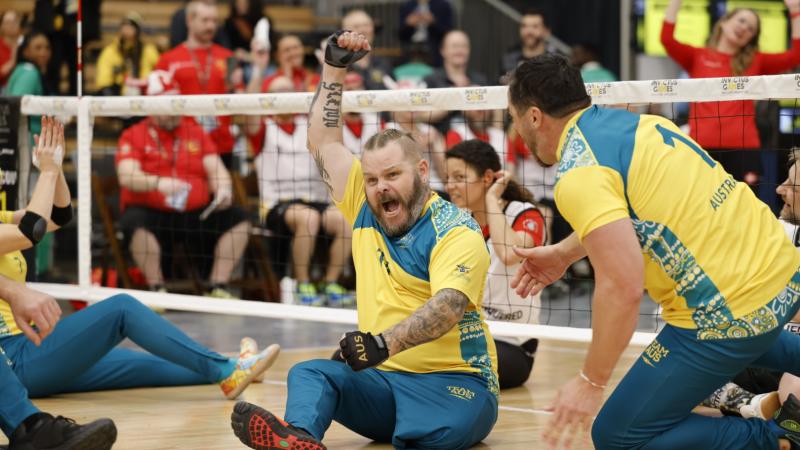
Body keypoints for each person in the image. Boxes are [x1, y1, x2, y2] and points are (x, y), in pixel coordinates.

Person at [508, 53, 800, 449]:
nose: (516, 129)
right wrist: (563, 253)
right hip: (783, 274)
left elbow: (623, 287)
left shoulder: (579, 172)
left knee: (616, 436)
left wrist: (590, 381)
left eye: (514, 117)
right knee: (752, 339)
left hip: (726, 312)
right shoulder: (643, 125)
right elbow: (633, 215)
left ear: (534, 116)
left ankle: (778, 439)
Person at [231, 30, 498, 450]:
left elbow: (447, 308)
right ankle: (300, 439)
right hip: (385, 380)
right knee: (309, 373)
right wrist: (333, 69)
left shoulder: (455, 228)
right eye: (372, 179)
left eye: (392, 175)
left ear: (422, 172)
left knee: (435, 439)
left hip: (457, 383)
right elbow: (322, 141)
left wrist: (380, 344)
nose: (380, 187)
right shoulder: (363, 205)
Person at [1, 117, 279, 404]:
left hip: (30, 346)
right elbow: (31, 230)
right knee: (122, 309)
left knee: (142, 365)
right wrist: (47, 172)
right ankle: (227, 371)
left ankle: (235, 368)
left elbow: (58, 216)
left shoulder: (3, 218)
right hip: (11, 361)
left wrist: (56, 169)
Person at [115, 70, 249, 299]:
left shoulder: (194, 130)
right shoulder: (133, 134)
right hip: (152, 213)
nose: (174, 111)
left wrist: (224, 190)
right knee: (133, 222)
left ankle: (218, 286)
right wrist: (158, 183)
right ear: (152, 106)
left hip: (195, 214)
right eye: (168, 104)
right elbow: (127, 176)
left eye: (177, 102)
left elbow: (217, 170)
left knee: (239, 218)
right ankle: (157, 289)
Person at [698, 148, 800, 420]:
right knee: (678, 363)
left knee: (793, 387)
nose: (779, 189)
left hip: (785, 358)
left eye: (791, 185)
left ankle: (764, 412)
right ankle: (752, 405)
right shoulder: (779, 230)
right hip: (761, 351)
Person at [661, 0, 800, 187]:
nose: (744, 28)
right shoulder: (698, 56)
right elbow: (667, 40)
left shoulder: (755, 61)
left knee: (744, 205)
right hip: (701, 149)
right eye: (741, 21)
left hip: (743, 151)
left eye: (751, 28)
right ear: (724, 22)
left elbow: (795, 55)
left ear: (751, 38)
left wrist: (795, 11)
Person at [445, 139, 544, 389]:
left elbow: (510, 254)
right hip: (467, 333)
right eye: (448, 178)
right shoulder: (457, 221)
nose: (450, 185)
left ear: (487, 178)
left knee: (447, 365)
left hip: (513, 345)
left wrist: (491, 199)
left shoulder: (525, 213)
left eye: (459, 177)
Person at [252, 75, 354, 307]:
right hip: (277, 204)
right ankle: (302, 284)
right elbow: (248, 111)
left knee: (346, 219)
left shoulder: (310, 125)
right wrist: (258, 70)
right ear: (268, 98)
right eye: (279, 92)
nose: (286, 96)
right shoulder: (263, 127)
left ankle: (330, 283)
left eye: (290, 91)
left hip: (315, 199)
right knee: (308, 218)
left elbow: (332, 129)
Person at [0, 272, 117, 450]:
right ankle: (29, 427)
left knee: (150, 366)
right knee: (123, 307)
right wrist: (12, 290)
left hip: (22, 348)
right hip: (18, 354)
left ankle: (30, 427)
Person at [156, 0, 238, 168]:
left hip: (221, 144)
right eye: (205, 20)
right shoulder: (168, 60)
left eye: (214, 21)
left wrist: (257, 70)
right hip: (182, 146)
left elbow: (244, 101)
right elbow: (158, 108)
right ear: (189, 20)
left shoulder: (228, 58)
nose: (211, 26)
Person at [95, 12, 160, 96]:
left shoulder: (148, 50)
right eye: (125, 25)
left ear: (138, 30)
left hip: (145, 94)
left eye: (132, 26)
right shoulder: (111, 51)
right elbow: (103, 80)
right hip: (119, 95)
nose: (127, 29)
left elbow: (160, 71)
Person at [341, 9, 392, 90]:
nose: (363, 30)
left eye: (367, 25)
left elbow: (394, 91)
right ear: (345, 32)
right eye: (356, 26)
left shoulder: (382, 63)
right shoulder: (337, 64)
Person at [399, 0, 454, 67]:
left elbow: (448, 33)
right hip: (411, 49)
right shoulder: (407, 6)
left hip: (434, 50)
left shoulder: (443, 5)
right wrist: (408, 24)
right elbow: (400, 34)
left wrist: (433, 22)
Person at [499, 9, 552, 79]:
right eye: (524, 26)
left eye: (535, 26)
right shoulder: (509, 59)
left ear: (547, 31)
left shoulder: (553, 62)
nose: (528, 31)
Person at [0, 10, 22, 88]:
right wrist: (13, 60)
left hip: (23, 84)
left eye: (15, 21)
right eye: (8, 22)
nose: (11, 25)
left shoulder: (25, 43)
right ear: (2, 26)